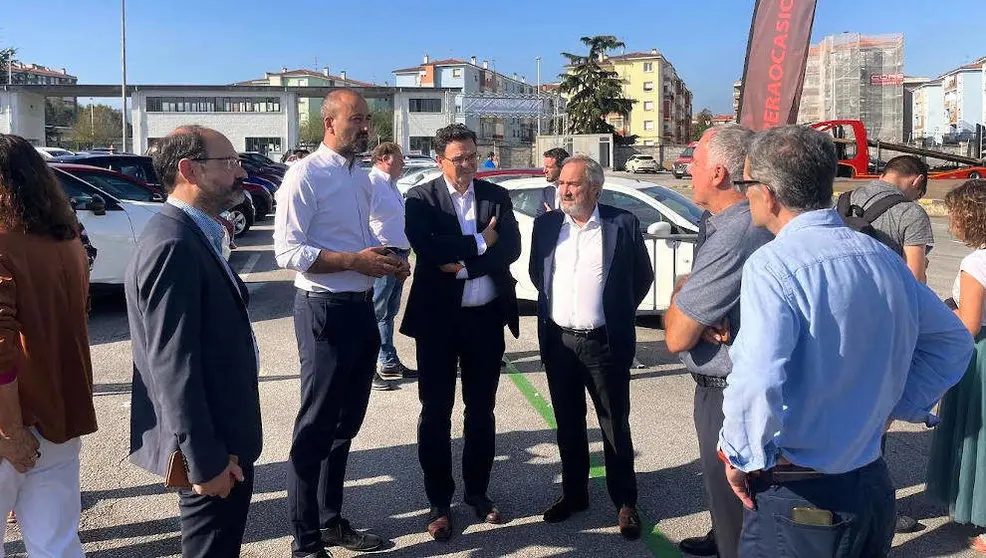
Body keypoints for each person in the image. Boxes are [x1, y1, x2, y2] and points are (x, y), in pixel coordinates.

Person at [721, 125, 972, 557]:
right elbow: (952, 342)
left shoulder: (774, 263)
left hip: (802, 492)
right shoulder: (879, 255)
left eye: (746, 185)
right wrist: (900, 402)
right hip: (870, 482)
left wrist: (741, 455)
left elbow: (759, 377)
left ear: (767, 191)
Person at [274, 89, 408, 558]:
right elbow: (288, 252)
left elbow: (364, 234)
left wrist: (388, 258)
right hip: (323, 311)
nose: (366, 128)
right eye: (357, 120)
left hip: (360, 309)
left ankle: (330, 521)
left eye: (368, 120)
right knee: (315, 428)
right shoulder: (304, 176)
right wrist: (355, 260)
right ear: (329, 123)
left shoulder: (360, 177)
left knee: (345, 425)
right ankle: (305, 542)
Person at [126, 125, 262, 558]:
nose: (239, 173)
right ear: (189, 170)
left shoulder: (197, 233)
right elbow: (172, 365)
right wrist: (205, 462)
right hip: (212, 448)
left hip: (224, 437)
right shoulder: (173, 244)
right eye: (228, 163)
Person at [401, 123, 521, 541]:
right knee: (435, 413)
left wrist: (469, 263)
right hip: (437, 323)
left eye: (473, 156)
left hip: (485, 319)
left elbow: (511, 249)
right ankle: (438, 501)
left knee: (481, 410)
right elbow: (428, 249)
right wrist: (479, 240)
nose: (469, 165)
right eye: (460, 159)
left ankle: (478, 492)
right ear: (440, 160)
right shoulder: (420, 198)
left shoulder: (496, 196)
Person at [529, 154, 653, 540]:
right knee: (568, 425)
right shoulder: (547, 225)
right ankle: (574, 494)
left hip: (604, 343)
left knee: (614, 423)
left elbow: (642, 277)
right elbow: (539, 273)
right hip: (560, 341)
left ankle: (625, 501)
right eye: (561, 183)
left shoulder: (622, 223)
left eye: (573, 184)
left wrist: (615, 312)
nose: (563, 190)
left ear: (595, 189)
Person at [663, 125, 770, 558]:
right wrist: (689, 295)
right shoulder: (719, 221)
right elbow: (693, 294)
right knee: (728, 510)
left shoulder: (736, 231)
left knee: (739, 520)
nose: (688, 169)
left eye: (696, 162)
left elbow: (676, 335)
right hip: (718, 388)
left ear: (720, 172)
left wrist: (684, 301)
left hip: (729, 393)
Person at [0, 134, 96, 557]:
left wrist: (10, 431)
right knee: (57, 543)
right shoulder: (68, 241)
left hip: (12, 418)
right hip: (59, 412)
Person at [926, 179, 986, 552]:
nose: (951, 224)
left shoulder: (976, 261)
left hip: (980, 352)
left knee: (978, 433)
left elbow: (970, 322)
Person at [840, 155, 934, 283]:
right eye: (917, 196)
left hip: (839, 290)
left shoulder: (843, 200)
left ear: (882, 176)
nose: (914, 201)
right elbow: (915, 281)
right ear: (917, 181)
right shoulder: (911, 212)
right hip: (881, 298)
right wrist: (922, 267)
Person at [368, 141, 416, 390]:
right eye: (400, 159)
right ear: (385, 158)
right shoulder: (372, 184)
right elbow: (364, 223)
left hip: (400, 255)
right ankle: (368, 369)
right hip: (385, 256)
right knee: (375, 313)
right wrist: (385, 254)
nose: (403, 163)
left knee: (388, 313)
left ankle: (387, 360)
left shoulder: (391, 186)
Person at [536, 147, 570, 217]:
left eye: (549, 167)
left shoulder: (573, 190)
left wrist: (552, 215)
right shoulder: (547, 191)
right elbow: (539, 217)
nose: (544, 171)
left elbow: (577, 215)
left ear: (562, 167)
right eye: (544, 167)